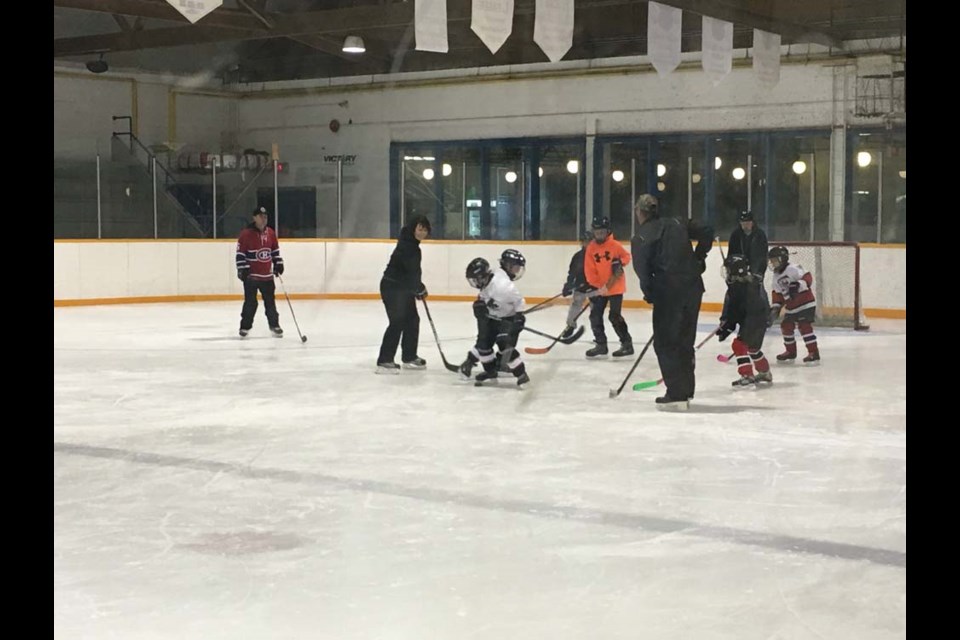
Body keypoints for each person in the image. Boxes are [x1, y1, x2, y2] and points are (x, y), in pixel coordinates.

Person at [631, 194, 714, 410]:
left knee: (666, 343)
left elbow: (643, 271)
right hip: (693, 289)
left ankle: (676, 394)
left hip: (668, 293)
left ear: (640, 212)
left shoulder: (641, 237)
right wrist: (699, 256)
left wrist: (650, 294)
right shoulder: (677, 222)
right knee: (685, 341)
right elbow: (707, 229)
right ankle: (685, 391)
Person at [458, 250, 530, 387]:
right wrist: (478, 306)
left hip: (507, 318)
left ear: (483, 277)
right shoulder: (488, 282)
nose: (475, 283)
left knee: (504, 344)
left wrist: (519, 317)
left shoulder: (504, 286)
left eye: (476, 280)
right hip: (493, 317)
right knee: (484, 344)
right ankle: (490, 372)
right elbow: (483, 299)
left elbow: (519, 302)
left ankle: (522, 375)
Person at [376, 215, 431, 373]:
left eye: (425, 229)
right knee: (398, 321)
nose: (422, 232)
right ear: (413, 228)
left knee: (412, 320)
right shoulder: (407, 246)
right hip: (392, 288)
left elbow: (413, 274)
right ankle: (384, 360)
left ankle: (409, 356)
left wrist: (417, 288)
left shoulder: (413, 245)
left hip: (403, 288)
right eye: (420, 228)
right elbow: (409, 272)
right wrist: (418, 287)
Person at [717, 254, 773, 387]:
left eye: (729, 269)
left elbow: (737, 309)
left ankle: (747, 374)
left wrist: (729, 324)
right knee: (753, 348)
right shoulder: (749, 282)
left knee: (739, 345)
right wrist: (728, 322)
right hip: (757, 320)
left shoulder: (742, 287)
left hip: (753, 321)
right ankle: (765, 372)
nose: (727, 272)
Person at [583, 216, 633, 358]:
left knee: (614, 316)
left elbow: (627, 256)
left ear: (608, 231)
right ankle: (601, 344)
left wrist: (620, 262)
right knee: (595, 316)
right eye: (597, 232)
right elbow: (589, 269)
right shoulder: (591, 248)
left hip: (616, 287)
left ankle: (626, 344)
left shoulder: (615, 245)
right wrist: (597, 286)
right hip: (600, 289)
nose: (599, 235)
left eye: (602, 232)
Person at [236, 206, 284, 338]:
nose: (264, 219)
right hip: (251, 276)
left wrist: (278, 263)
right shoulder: (246, 234)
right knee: (251, 303)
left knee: (270, 302)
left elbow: (274, 251)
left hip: (267, 276)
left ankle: (274, 325)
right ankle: (245, 326)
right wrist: (242, 269)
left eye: (265, 216)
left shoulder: (271, 233)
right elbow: (240, 254)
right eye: (261, 216)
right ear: (254, 218)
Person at [768, 246, 820, 363]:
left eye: (774, 260)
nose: (772, 263)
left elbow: (808, 278)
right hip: (791, 308)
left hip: (806, 304)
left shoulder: (793, 268)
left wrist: (798, 284)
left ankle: (813, 352)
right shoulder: (776, 276)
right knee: (786, 326)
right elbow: (778, 294)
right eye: (771, 261)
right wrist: (775, 308)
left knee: (804, 327)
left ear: (783, 259)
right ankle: (791, 352)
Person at [559, 231, 595, 339]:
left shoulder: (597, 256)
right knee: (575, 306)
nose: (587, 244)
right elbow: (572, 272)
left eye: (590, 242)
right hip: (580, 287)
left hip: (595, 288)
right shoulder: (577, 256)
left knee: (596, 312)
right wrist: (569, 285)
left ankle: (598, 334)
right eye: (585, 242)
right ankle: (570, 326)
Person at [727, 210, 769, 289]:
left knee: (757, 294)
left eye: (748, 222)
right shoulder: (735, 235)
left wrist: (760, 272)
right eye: (743, 222)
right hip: (738, 273)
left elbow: (763, 256)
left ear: (752, 222)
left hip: (754, 273)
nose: (745, 224)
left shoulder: (760, 235)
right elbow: (731, 254)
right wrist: (731, 270)